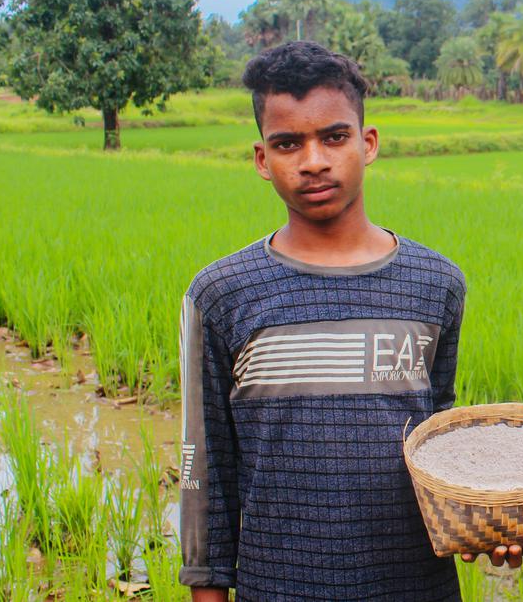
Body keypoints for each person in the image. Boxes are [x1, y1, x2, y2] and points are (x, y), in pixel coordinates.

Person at [177, 41, 467, 601]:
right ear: (263, 159)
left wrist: (490, 514)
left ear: (368, 142)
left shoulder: (437, 283)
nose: (313, 160)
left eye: (334, 136)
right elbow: (206, 472)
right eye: (289, 143)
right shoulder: (221, 293)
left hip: (415, 586)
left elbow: (440, 439)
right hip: (277, 586)